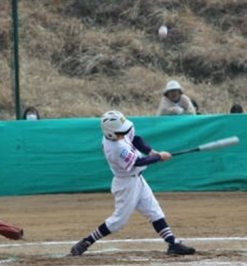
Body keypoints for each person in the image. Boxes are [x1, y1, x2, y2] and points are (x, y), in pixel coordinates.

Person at [69, 110, 195, 257]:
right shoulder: (115, 148)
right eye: (121, 132)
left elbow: (135, 139)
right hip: (126, 184)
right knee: (118, 221)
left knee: (154, 211)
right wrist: (159, 157)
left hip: (138, 179)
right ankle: (87, 241)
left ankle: (173, 244)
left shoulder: (118, 131)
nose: (124, 133)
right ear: (111, 133)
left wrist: (151, 152)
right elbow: (137, 162)